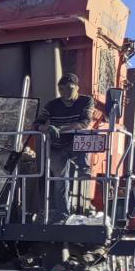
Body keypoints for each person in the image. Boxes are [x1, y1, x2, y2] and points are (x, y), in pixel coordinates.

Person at [33, 73, 96, 223]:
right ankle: (63, 214)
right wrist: (46, 128)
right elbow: (36, 124)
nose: (65, 92)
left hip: (76, 143)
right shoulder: (51, 105)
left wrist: (59, 129)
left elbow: (85, 122)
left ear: (77, 88)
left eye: (69, 88)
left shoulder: (86, 101)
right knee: (60, 181)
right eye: (61, 89)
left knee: (85, 136)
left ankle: (84, 169)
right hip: (57, 147)